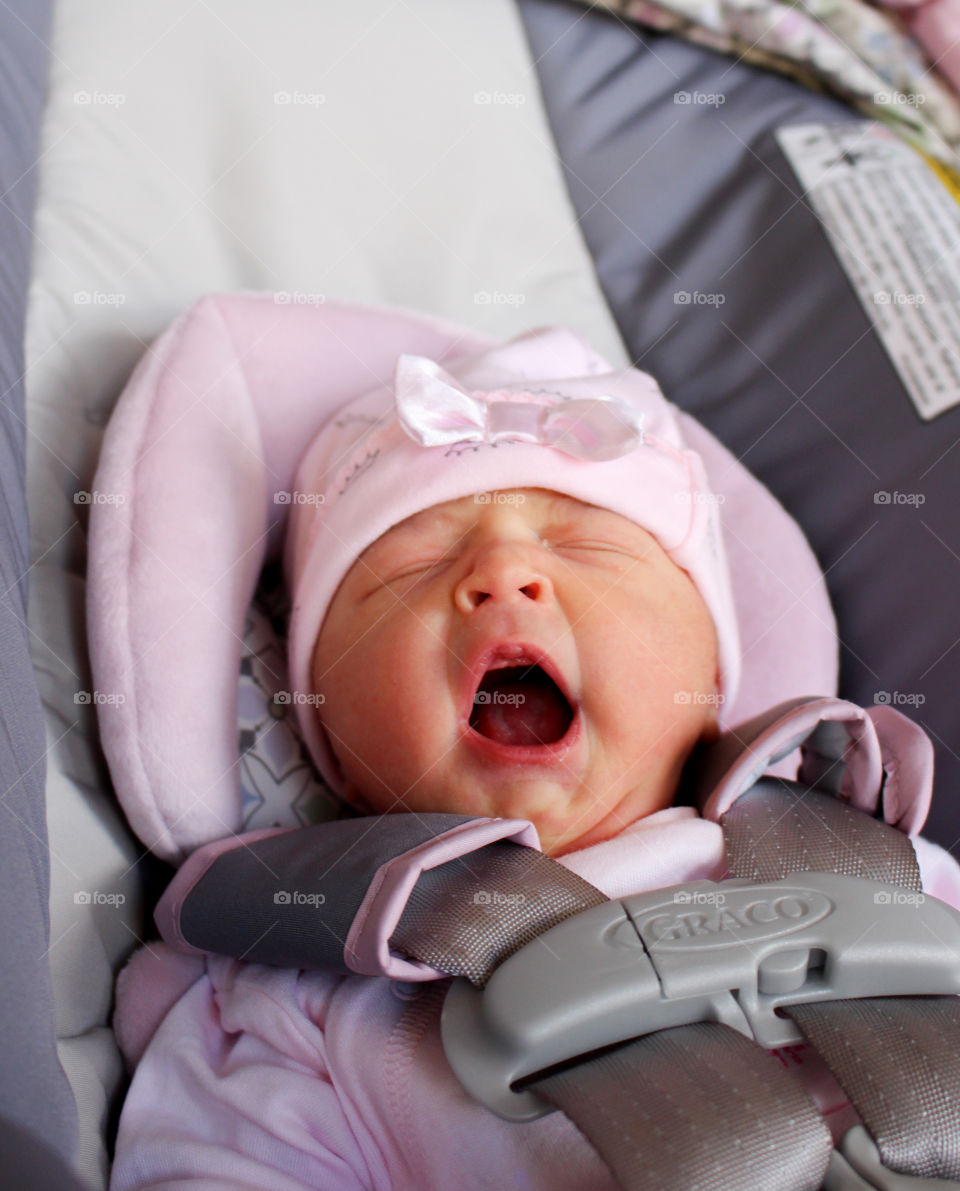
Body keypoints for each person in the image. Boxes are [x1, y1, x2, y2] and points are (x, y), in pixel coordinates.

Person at [108, 332, 960, 1190]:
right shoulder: (306, 1009)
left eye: (588, 547)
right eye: (412, 564)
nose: (503, 571)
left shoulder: (883, 867)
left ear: (710, 681)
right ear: (334, 745)